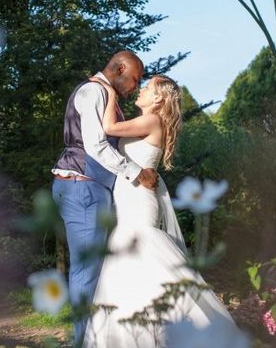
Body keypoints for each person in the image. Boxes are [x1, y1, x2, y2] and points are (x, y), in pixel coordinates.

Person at [83, 74, 239, 347]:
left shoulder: (152, 121)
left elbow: (108, 126)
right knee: (132, 264)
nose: (140, 91)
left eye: (146, 88)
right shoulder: (150, 121)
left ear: (158, 98)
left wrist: (108, 89)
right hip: (133, 199)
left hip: (139, 203)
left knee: (145, 256)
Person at [52, 51, 159, 346]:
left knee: (94, 271)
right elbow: (96, 146)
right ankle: (82, 342)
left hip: (88, 189)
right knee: (86, 273)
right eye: (135, 79)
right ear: (120, 68)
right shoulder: (93, 91)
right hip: (82, 186)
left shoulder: (104, 94)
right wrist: (137, 173)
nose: (135, 87)